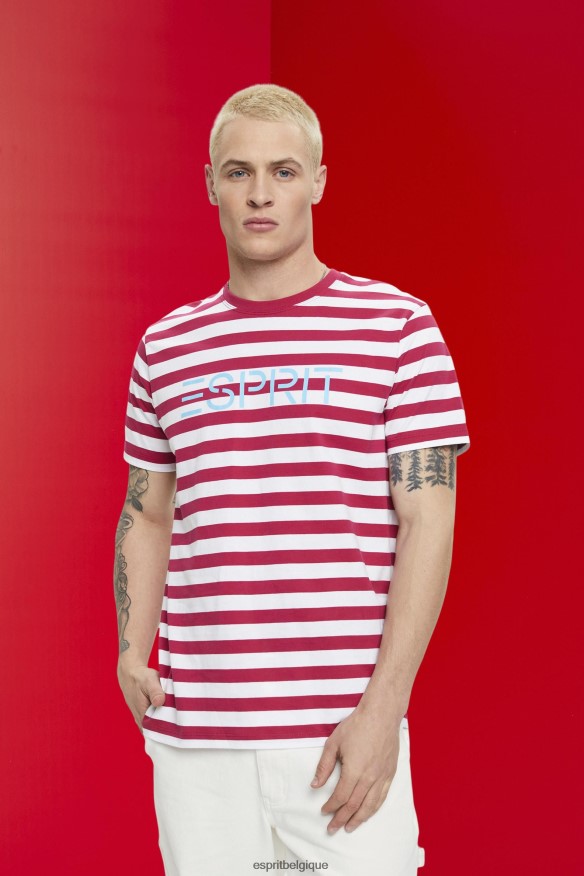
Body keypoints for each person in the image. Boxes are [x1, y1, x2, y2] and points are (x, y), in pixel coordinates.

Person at [115, 83, 470, 876]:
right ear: (211, 184)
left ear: (318, 181)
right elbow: (146, 511)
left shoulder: (397, 328)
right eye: (238, 172)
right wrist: (131, 651)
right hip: (199, 743)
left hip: (340, 735)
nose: (260, 193)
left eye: (283, 171)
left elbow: (429, 520)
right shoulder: (166, 347)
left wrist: (384, 708)